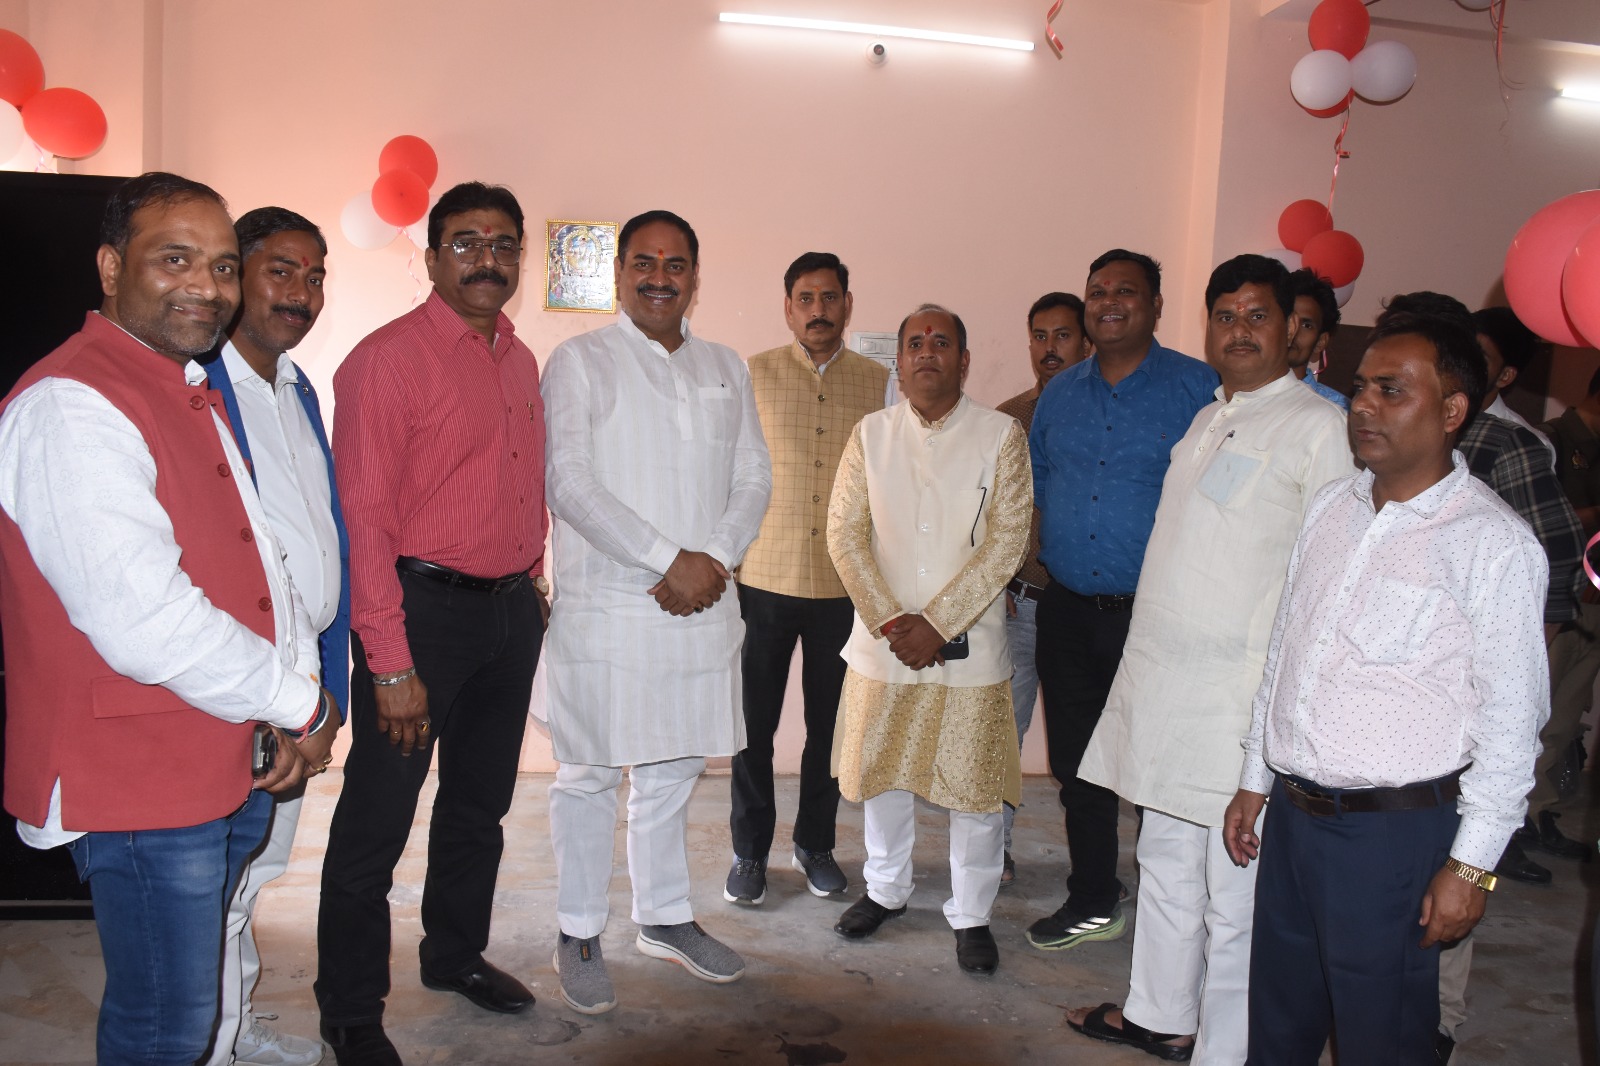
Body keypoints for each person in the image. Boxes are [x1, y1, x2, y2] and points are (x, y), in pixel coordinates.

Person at [0, 172, 337, 1065]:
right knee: (165, 1026)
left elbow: (262, 560)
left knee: (192, 1005)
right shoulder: (71, 403)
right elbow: (143, 617)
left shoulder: (182, 384)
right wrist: (299, 701)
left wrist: (288, 696)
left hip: (217, 751)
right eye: (175, 259)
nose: (208, 286)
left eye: (222, 266)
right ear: (112, 267)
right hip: (139, 777)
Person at [1222, 312, 1549, 1063]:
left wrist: (1471, 868)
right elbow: (1287, 651)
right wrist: (1255, 777)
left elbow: (1511, 727)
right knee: (1277, 1029)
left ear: (1452, 409)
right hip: (1295, 821)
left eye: (1392, 390)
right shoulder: (1332, 507)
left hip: (1392, 840)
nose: (1363, 405)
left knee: (1382, 1040)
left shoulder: (1493, 544)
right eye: (1362, 386)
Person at [1067, 255, 1354, 1063]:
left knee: (1237, 895)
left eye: (1258, 315)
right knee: (1163, 858)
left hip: (1239, 702)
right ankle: (1160, 1014)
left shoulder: (1317, 428)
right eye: (1225, 315)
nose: (1239, 330)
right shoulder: (1207, 418)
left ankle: (1227, 1051)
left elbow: (1325, 582)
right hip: (1167, 690)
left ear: (1291, 329)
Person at [317, 182, 549, 1066]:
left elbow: (515, 482)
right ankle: (350, 1009)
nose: (487, 258)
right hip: (419, 616)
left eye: (502, 243)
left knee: (480, 806)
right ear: (431, 258)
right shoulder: (386, 361)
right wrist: (388, 661)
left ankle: (453, 955)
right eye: (465, 243)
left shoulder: (518, 359)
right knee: (377, 821)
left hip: (508, 613)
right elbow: (364, 522)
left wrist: (532, 582)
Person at [541, 210, 771, 1015]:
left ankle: (665, 916)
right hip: (611, 603)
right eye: (644, 261)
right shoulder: (580, 361)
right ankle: (577, 929)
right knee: (591, 772)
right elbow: (568, 482)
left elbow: (753, 475)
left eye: (676, 264)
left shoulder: (724, 365)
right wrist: (667, 558)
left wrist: (713, 557)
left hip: (700, 601)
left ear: (695, 278)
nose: (659, 277)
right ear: (618, 274)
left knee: (674, 768)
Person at [826, 303, 1030, 975]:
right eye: (915, 342)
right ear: (899, 360)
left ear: (963, 361)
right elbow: (844, 535)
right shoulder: (870, 435)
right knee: (882, 776)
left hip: (969, 650)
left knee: (974, 788)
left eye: (941, 342)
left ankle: (971, 913)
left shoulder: (1001, 436)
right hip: (883, 646)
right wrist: (893, 622)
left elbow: (1008, 540)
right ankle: (885, 889)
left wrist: (939, 624)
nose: (926, 352)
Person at [1026, 249, 1219, 950]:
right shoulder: (1060, 394)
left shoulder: (1199, 389)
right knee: (1079, 765)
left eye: (1126, 291)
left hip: (1158, 615)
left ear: (1156, 305)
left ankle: (1177, 912)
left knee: (1161, 766)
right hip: (1068, 610)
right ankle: (1093, 895)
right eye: (1098, 291)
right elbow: (1040, 484)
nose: (1109, 302)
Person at [204, 207, 349, 1066]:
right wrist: (282, 699)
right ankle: (210, 1044)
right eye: (280, 270)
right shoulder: (198, 386)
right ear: (235, 275)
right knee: (216, 880)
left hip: (304, 677)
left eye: (315, 276)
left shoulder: (299, 389)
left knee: (254, 873)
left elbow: (324, 539)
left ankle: (233, 1029)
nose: (301, 292)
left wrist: (329, 692)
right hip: (240, 681)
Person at [726, 251, 887, 905]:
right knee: (752, 729)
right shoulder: (753, 375)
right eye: (805, 299)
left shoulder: (880, 383)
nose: (818, 310)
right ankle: (748, 853)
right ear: (789, 308)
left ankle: (815, 845)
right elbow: (729, 469)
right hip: (763, 578)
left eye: (829, 298)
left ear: (847, 304)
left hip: (842, 589)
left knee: (830, 730)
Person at [995, 291, 1089, 885]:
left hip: (1085, 610)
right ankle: (994, 850)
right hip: (1020, 605)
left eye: (1062, 335)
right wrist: (995, 583)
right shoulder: (1008, 420)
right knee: (1002, 734)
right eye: (1039, 335)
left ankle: (1091, 864)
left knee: (1085, 746)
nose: (1049, 348)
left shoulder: (1102, 415)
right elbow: (984, 512)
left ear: (1086, 341)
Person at [1475, 305, 1554, 461]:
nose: (1463, 362)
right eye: (1461, 349)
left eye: (1480, 358)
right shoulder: (1434, 415)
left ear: (1505, 376)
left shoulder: (1527, 445)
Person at [1286, 268, 1348, 410]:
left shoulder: (1339, 411)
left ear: (1320, 342)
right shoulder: (1237, 395)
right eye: (1286, 319)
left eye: (1306, 325)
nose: (1292, 331)